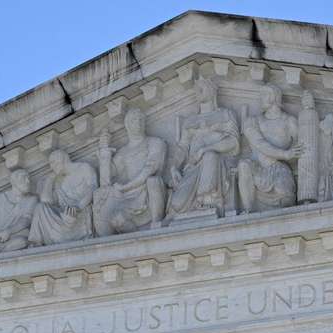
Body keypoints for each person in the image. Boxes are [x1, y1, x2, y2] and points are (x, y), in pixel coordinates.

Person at [166, 77, 240, 218]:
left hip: (219, 165)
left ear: (212, 90)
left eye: (203, 86)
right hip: (193, 168)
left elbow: (233, 142)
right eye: (196, 87)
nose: (197, 89)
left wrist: (206, 149)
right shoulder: (190, 121)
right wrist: (174, 166)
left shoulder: (225, 114)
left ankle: (208, 199)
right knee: (177, 203)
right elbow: (182, 147)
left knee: (210, 156)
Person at [92, 108, 168, 235]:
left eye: (140, 120)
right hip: (128, 196)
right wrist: (104, 149)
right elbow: (106, 180)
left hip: (147, 193)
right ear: (127, 125)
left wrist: (125, 187)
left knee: (153, 181)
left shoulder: (155, 143)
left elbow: (149, 170)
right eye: (133, 120)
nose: (138, 123)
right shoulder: (123, 152)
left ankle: (156, 224)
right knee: (116, 217)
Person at [238, 85, 302, 213]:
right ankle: (248, 211)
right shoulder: (252, 121)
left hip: (280, 170)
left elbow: (300, 146)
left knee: (286, 199)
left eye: (264, 95)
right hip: (259, 169)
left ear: (274, 97)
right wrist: (286, 154)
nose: (261, 99)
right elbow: (260, 144)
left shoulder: (290, 121)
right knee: (244, 165)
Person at [28, 149, 96, 245]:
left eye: (52, 162)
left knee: (70, 218)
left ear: (61, 159)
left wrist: (78, 207)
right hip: (63, 217)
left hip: (80, 214)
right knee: (40, 207)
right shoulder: (58, 180)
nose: (51, 167)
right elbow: (45, 201)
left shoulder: (84, 168)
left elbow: (93, 189)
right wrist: (50, 179)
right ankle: (35, 243)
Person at [0, 168, 38, 254]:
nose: (28, 181)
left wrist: (8, 232)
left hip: (17, 236)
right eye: (23, 178)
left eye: (28, 178)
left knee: (22, 242)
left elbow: (26, 220)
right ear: (13, 182)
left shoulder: (32, 199)